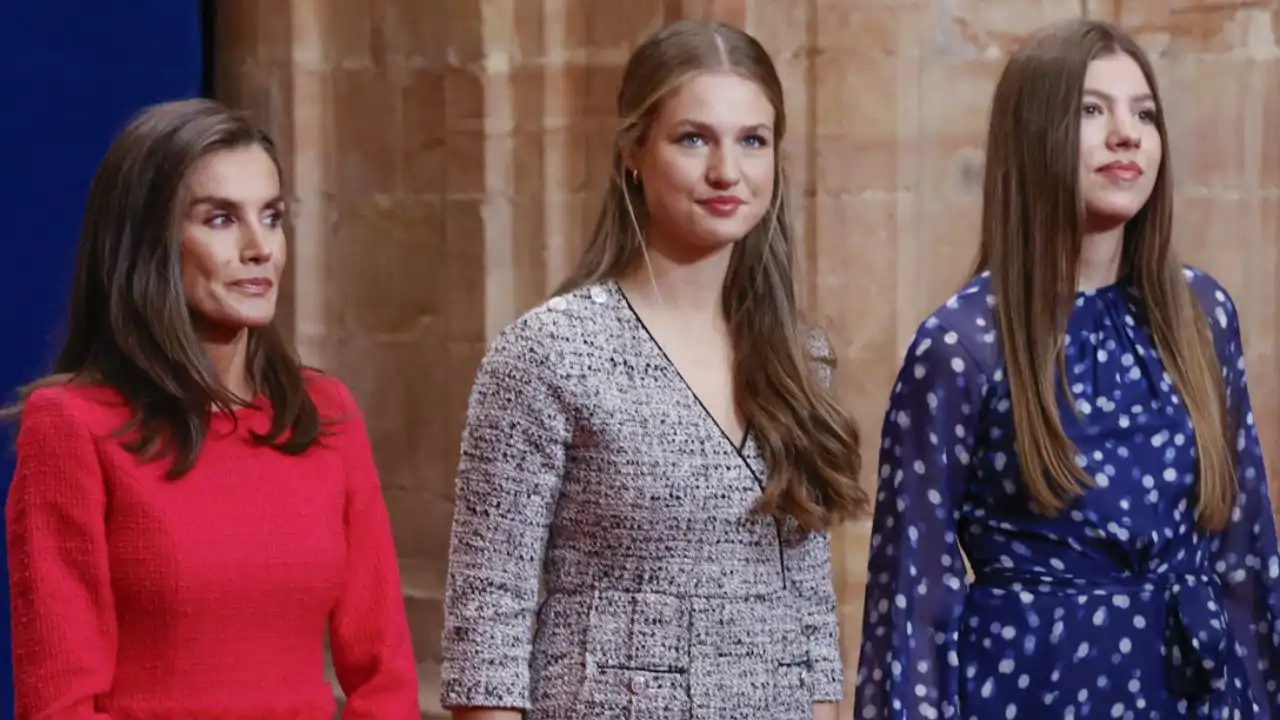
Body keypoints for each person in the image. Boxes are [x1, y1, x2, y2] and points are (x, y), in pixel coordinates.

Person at [438, 19, 868, 720]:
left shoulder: (799, 356)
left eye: (752, 141)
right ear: (633, 153)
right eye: (693, 138)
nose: (727, 171)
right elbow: (487, 623)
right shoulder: (550, 353)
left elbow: (810, 617)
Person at [852, 18, 1280, 719]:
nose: (1126, 133)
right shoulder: (961, 345)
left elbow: (1247, 555)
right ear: (1034, 136)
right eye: (1092, 110)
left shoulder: (1202, 314)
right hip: (1033, 692)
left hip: (1193, 692)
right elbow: (911, 605)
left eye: (1144, 113)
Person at [4, 99, 420, 719]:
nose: (260, 248)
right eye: (221, 219)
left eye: (272, 216)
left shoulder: (322, 411)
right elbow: (60, 703)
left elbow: (383, 674)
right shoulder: (71, 425)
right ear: (148, 241)